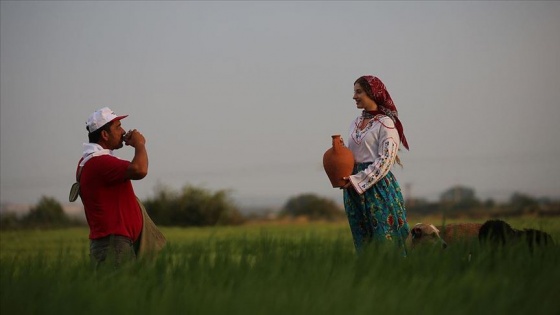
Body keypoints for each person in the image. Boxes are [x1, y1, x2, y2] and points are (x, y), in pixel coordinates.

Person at [341, 75, 410, 255]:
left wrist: (358, 180)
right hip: (353, 189)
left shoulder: (385, 123)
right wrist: (340, 152)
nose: (354, 96)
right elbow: (353, 155)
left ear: (372, 93)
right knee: (362, 240)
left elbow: (385, 159)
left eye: (359, 92)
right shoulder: (355, 123)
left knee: (385, 239)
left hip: (378, 188)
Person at [76, 107, 148, 269]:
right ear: (104, 135)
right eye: (117, 127)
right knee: (123, 292)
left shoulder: (88, 161)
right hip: (114, 246)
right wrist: (140, 145)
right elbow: (140, 169)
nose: (123, 131)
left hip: (113, 244)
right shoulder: (100, 162)